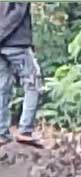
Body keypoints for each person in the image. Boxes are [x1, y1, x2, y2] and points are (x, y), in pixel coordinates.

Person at [0, 1, 41, 146]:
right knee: (33, 84)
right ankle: (25, 130)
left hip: (3, 46)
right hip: (16, 42)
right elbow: (17, 13)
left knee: (2, 89)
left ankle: (2, 133)